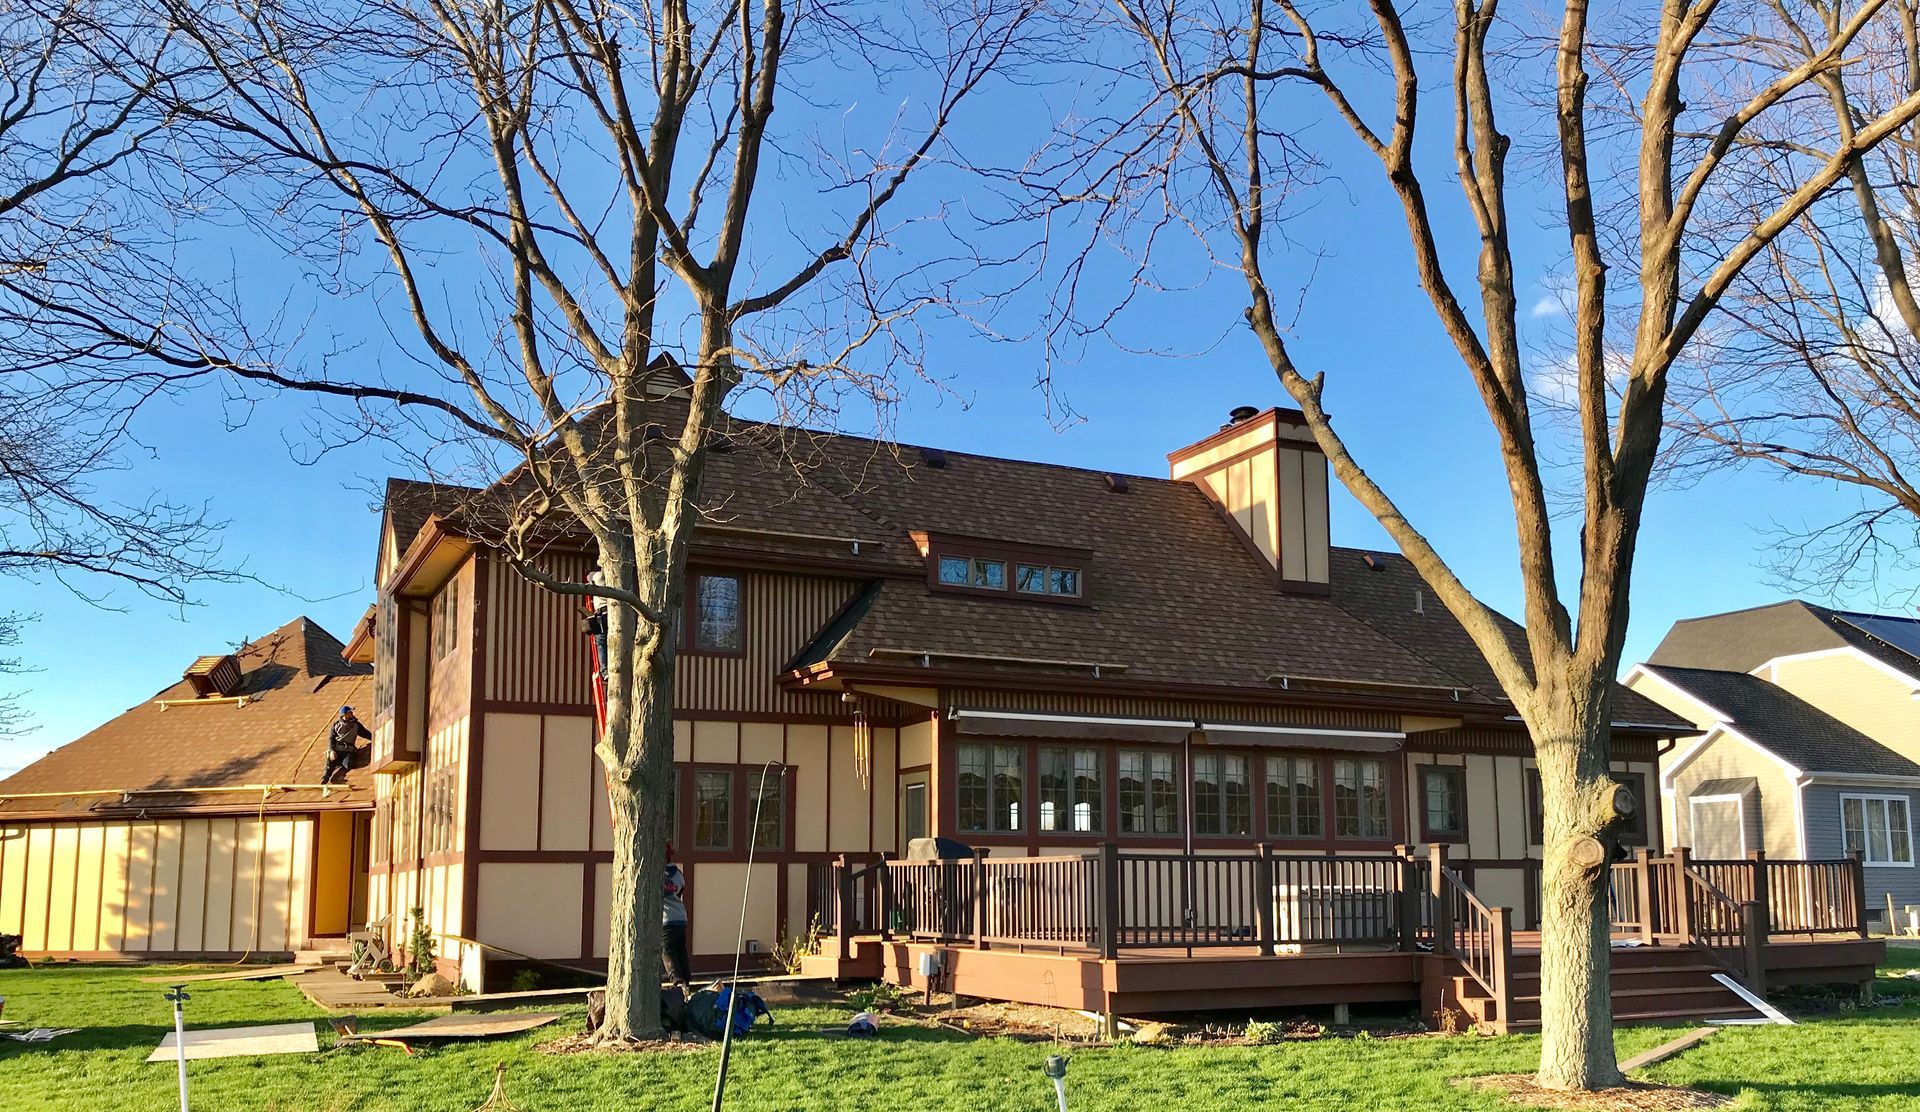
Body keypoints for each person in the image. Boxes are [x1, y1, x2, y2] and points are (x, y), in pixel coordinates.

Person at [662, 844, 692, 992]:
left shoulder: (654, 874)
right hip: (680, 917)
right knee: (680, 950)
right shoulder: (678, 874)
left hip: (666, 919)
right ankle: (687, 980)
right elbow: (680, 891)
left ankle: (677, 981)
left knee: (667, 949)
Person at [323, 706, 371, 785]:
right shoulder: (336, 724)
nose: (352, 713)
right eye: (350, 712)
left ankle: (339, 762)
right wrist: (331, 750)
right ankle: (324, 779)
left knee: (348, 765)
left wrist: (376, 737)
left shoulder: (356, 725)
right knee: (330, 763)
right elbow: (331, 738)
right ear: (344, 715)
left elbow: (365, 733)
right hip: (337, 749)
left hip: (348, 750)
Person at [584, 570, 609, 677]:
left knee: (601, 642)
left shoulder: (597, 576)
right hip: (613, 613)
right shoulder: (615, 577)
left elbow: (589, 577)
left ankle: (604, 670)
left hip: (602, 614)